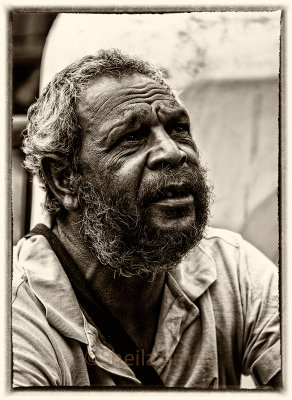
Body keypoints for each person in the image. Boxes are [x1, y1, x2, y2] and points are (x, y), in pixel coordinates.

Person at [12, 49, 281, 388]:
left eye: (178, 128)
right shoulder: (19, 320)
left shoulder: (230, 268)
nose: (173, 152)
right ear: (65, 178)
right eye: (132, 137)